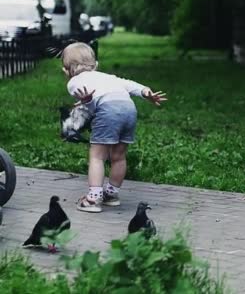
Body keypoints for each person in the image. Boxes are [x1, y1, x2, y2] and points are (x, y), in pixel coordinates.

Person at [62, 42, 167, 213]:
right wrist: (147, 92)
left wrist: (85, 101)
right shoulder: (109, 77)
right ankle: (111, 194)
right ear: (96, 65)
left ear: (66, 71)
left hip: (108, 110)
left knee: (97, 156)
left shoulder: (74, 81)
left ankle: (93, 199)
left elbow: (86, 99)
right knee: (118, 156)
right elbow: (131, 85)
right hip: (129, 109)